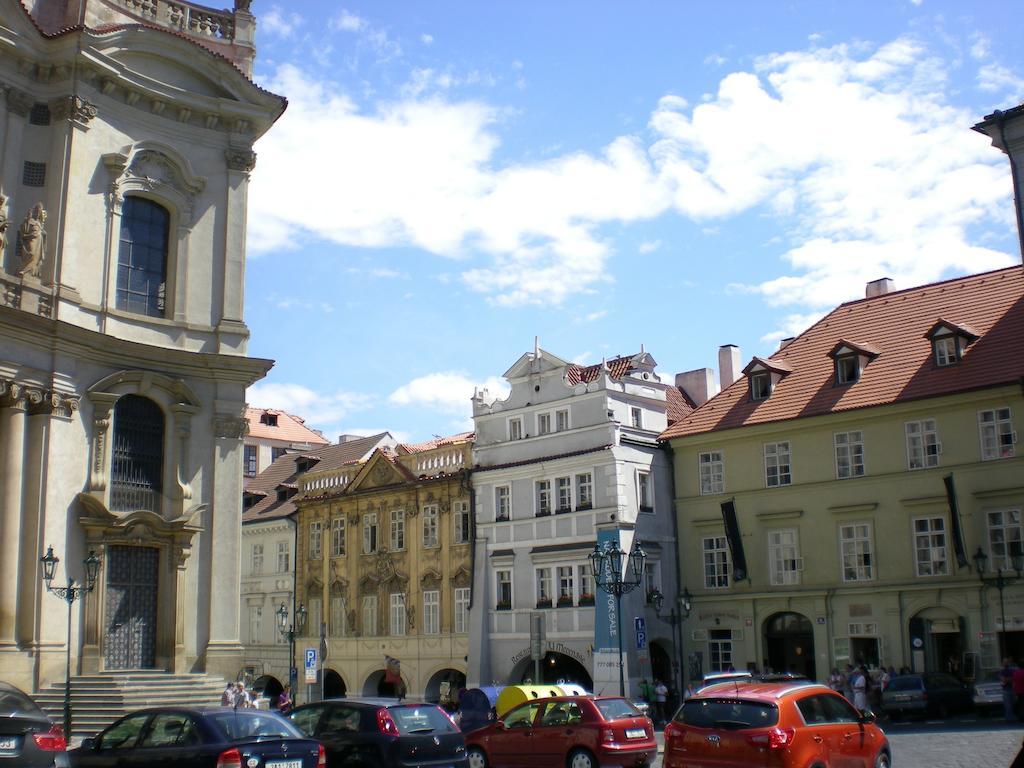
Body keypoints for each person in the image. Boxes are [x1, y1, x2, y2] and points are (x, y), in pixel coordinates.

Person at [18, 203, 46, 278]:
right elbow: (24, 229)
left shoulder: (39, 223)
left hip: (38, 241)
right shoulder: (29, 220)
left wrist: (43, 233)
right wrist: (27, 219)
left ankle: (27, 271)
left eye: (39, 212)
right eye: (36, 211)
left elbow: (41, 231)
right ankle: (24, 269)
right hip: (31, 239)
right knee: (31, 253)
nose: (37, 213)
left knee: (36, 257)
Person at [1002, 658, 1018, 722]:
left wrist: (1007, 679)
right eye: (1004, 662)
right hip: (1006, 689)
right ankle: (1009, 718)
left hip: (1012, 689)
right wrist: (1009, 679)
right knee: (1008, 705)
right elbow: (1003, 680)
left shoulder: (1013, 670)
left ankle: (1011, 717)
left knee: (1012, 704)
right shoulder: (1002, 671)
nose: (1005, 663)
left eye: (1006, 662)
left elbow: (1014, 678)